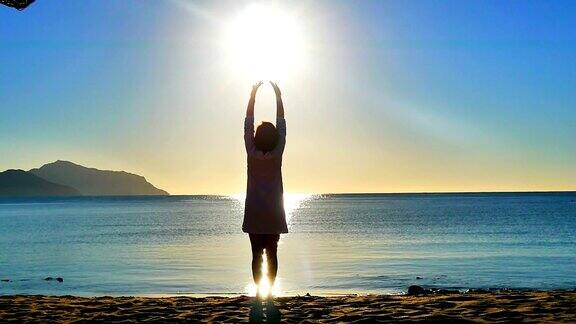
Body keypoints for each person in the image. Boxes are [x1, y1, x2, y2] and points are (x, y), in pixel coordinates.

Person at [243, 81, 288, 298]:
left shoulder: (251, 154)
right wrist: (278, 96)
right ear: (275, 139)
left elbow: (247, 124)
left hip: (254, 212)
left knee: (255, 255)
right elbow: (282, 125)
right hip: (273, 213)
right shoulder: (277, 154)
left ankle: (260, 292)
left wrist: (253, 95)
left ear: (256, 138)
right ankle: (268, 292)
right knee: (272, 254)